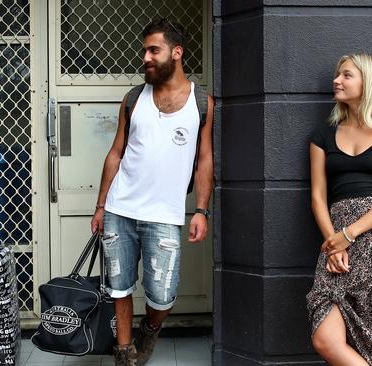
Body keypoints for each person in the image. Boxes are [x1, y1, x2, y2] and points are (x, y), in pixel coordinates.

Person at [90, 18, 214, 366]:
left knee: (162, 295)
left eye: (153, 50)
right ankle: (125, 352)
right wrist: (101, 205)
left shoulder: (202, 102)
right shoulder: (133, 98)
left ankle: (150, 329)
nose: (145, 56)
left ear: (176, 52)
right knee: (119, 285)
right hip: (120, 210)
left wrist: (201, 210)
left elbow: (204, 160)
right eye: (144, 50)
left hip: (165, 215)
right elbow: (116, 153)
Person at [306, 53, 372, 365]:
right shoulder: (322, 135)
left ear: (369, 81)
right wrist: (333, 243)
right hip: (336, 243)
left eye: (347, 75)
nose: (336, 81)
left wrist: (347, 235)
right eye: (338, 75)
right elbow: (317, 197)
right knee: (325, 338)